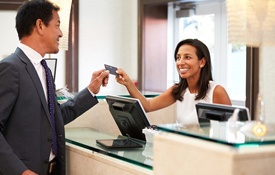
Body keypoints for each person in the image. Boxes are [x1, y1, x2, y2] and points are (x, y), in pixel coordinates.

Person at [0, 1, 109, 175]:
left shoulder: (45, 70)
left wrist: (91, 91)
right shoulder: (10, 68)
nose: (61, 33)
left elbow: (54, 117)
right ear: (40, 26)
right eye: (57, 25)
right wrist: (21, 172)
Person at [116, 38, 231, 125]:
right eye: (178, 57)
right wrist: (128, 83)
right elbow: (148, 106)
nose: (180, 62)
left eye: (187, 57)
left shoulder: (216, 91)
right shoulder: (178, 90)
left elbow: (230, 129)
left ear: (202, 62)